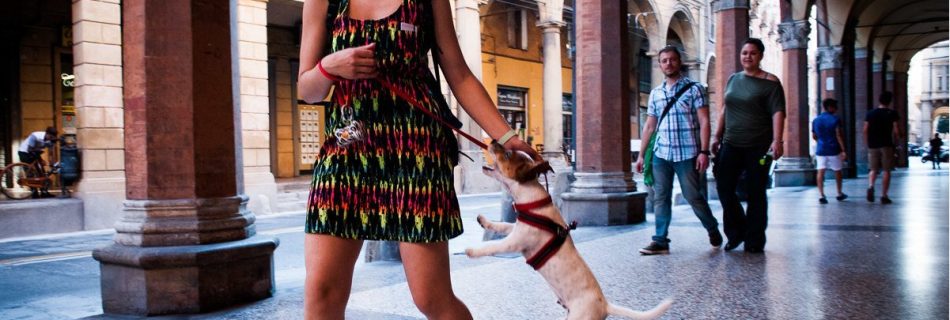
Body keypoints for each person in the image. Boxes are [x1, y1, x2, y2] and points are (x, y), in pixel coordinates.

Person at [296, 0, 538, 319]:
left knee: (431, 297)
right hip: (345, 153)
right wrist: (329, 67)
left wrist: (507, 137)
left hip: (415, 153)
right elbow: (307, 89)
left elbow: (459, 74)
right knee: (322, 294)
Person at [635, 45, 721, 255]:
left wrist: (704, 151)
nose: (668, 64)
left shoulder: (694, 89)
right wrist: (641, 155)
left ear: (679, 61)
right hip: (661, 153)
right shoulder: (656, 93)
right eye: (664, 61)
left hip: (687, 152)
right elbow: (649, 125)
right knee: (660, 197)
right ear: (660, 64)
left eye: (672, 59)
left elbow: (704, 120)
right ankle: (660, 240)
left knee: (693, 196)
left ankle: (711, 227)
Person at [711, 38, 785, 254]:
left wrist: (777, 140)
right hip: (731, 143)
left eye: (752, 53)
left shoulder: (770, 82)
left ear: (760, 56)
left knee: (756, 192)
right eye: (744, 53)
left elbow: (778, 112)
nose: (748, 56)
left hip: (758, 146)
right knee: (724, 187)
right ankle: (736, 233)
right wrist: (717, 136)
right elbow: (725, 108)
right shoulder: (734, 79)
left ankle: (754, 239)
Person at [863, 91, 900, 204]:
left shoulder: (870, 113)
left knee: (873, 169)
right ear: (890, 101)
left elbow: (865, 130)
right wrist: (897, 141)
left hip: (873, 145)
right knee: (886, 170)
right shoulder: (892, 113)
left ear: (879, 100)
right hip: (886, 145)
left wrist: (867, 143)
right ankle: (884, 195)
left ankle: (870, 185)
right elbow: (896, 130)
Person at [812, 98, 848, 204]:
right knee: (837, 171)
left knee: (820, 171)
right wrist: (843, 149)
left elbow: (814, 136)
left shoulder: (816, 120)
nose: (836, 109)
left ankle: (821, 195)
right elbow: (838, 135)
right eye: (835, 107)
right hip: (833, 149)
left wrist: (821, 142)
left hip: (821, 149)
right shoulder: (835, 119)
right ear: (830, 107)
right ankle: (839, 193)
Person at [18, 126, 58, 198]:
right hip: (25, 152)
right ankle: (34, 193)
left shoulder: (50, 140)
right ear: (47, 134)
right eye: (50, 137)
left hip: (35, 152)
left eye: (52, 137)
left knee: (42, 172)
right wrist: (38, 159)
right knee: (30, 173)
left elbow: (51, 152)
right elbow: (30, 149)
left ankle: (44, 192)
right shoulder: (35, 136)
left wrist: (52, 163)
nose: (51, 139)